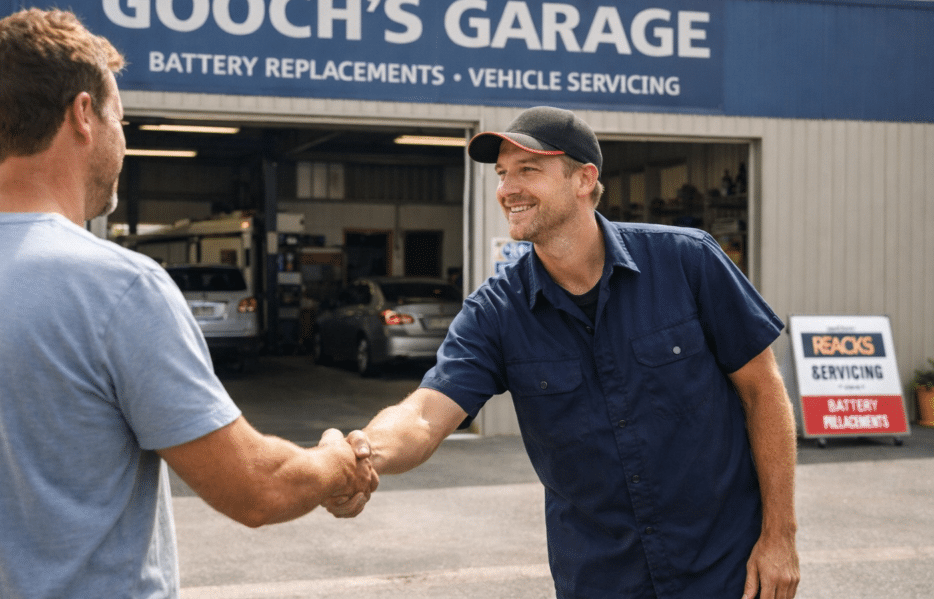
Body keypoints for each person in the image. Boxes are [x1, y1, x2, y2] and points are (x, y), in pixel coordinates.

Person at [0, 8, 376, 599]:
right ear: (84, 115)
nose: (123, 141)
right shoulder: (118, 287)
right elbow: (257, 488)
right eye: (121, 119)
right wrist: (337, 461)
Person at [333, 106, 800, 599]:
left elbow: (763, 393)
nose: (507, 189)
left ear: (584, 179)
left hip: (724, 570)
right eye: (502, 173)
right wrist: (362, 453)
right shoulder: (497, 312)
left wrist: (780, 536)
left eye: (528, 170)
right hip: (601, 580)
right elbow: (426, 415)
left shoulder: (687, 261)